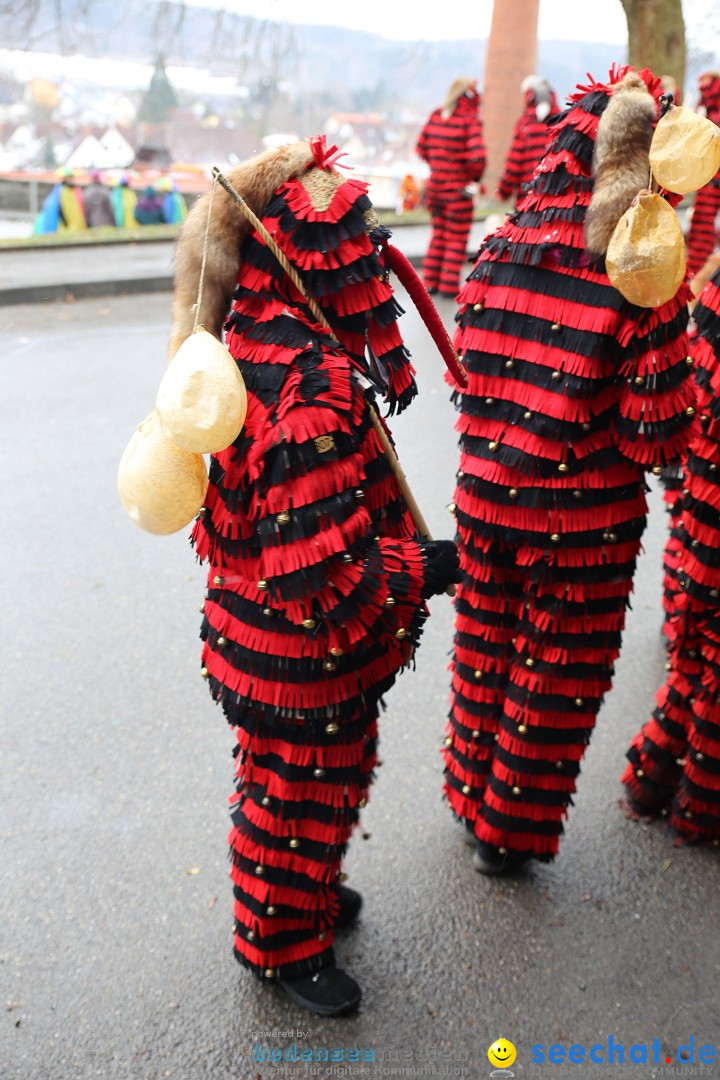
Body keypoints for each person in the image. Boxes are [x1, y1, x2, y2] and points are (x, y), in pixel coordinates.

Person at [168, 137, 461, 1015]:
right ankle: (282, 944)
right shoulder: (306, 379)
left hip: (259, 636)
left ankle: (305, 895)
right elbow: (323, 581)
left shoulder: (249, 334)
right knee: (297, 786)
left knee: (299, 779)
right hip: (297, 650)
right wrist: (427, 568)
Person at [441, 67, 698, 875]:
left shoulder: (494, 251)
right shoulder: (641, 277)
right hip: (579, 519)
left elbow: (466, 379)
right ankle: (505, 834)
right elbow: (655, 432)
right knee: (554, 672)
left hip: (484, 499)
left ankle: (467, 792)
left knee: (484, 645)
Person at [622, 264, 720, 847]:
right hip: (708, 486)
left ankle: (653, 783)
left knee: (696, 648)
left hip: (704, 489)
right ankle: (695, 808)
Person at [415, 76, 486, 297]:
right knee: (456, 239)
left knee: (438, 235)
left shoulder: (436, 115)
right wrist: (469, 176)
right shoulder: (468, 120)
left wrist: (439, 166)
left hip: (435, 189)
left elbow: (421, 148)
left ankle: (430, 282)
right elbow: (477, 158)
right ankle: (447, 286)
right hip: (457, 192)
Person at [496, 75, 559, 206]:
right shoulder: (561, 122)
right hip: (556, 200)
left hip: (528, 200)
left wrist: (503, 191)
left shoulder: (525, 125)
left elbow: (513, 164)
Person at [685, 71, 720, 275]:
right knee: (702, 228)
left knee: (702, 228)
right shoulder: (707, 112)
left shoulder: (710, 113)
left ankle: (698, 271)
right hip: (708, 178)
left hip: (710, 178)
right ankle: (698, 271)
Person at [33, 167, 87, 234]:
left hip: (72, 227)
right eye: (69, 177)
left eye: (71, 177)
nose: (71, 179)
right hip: (65, 227)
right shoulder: (63, 191)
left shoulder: (73, 190)